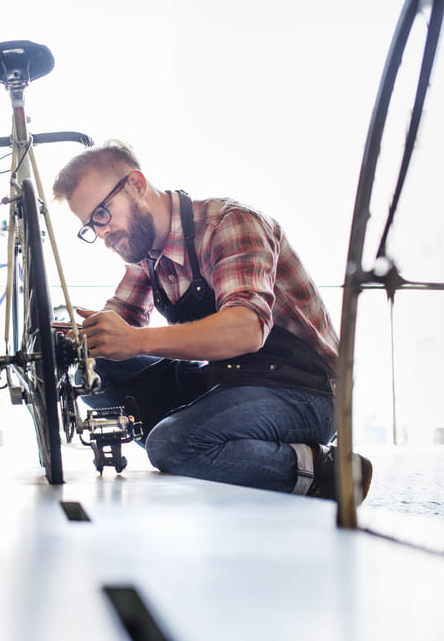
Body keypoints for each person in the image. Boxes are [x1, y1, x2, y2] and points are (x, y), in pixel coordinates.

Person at [51, 139, 373, 502]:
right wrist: (70, 340)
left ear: (136, 185)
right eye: (90, 227)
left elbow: (246, 329)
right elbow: (118, 320)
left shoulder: (230, 223)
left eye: (102, 214)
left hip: (305, 392)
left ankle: (323, 469)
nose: (102, 233)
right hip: (231, 380)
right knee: (95, 366)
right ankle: (217, 442)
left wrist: (137, 341)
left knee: (172, 444)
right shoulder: (147, 255)